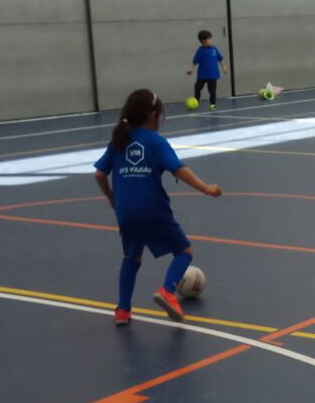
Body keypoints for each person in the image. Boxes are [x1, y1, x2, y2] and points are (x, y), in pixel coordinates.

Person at [93, 88, 222, 325]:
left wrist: (112, 199)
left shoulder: (118, 141)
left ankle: (122, 311)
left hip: (125, 212)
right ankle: (168, 290)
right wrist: (205, 188)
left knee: (130, 258)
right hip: (152, 209)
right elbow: (178, 169)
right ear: (152, 115)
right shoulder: (155, 142)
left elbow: (100, 175)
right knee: (185, 251)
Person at [186, 30, 226, 110]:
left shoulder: (214, 49)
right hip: (202, 75)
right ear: (203, 41)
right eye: (209, 39)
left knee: (212, 91)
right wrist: (191, 70)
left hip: (213, 75)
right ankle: (196, 101)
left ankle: (212, 104)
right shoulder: (200, 50)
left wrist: (224, 68)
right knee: (197, 87)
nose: (211, 40)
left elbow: (220, 59)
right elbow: (195, 62)